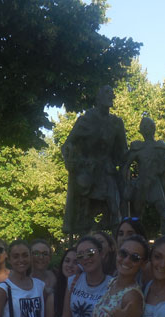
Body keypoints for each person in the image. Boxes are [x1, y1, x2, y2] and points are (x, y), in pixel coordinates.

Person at [61, 85, 127, 234]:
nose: (110, 97)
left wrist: (131, 159)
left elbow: (123, 151)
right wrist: (71, 160)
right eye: (106, 93)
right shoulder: (85, 121)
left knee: (115, 208)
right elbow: (67, 145)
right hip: (87, 170)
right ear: (98, 98)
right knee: (84, 212)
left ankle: (117, 245)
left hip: (107, 170)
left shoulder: (117, 123)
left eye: (112, 94)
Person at [122, 116, 165, 235]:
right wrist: (127, 182)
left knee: (164, 215)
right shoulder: (138, 148)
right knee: (137, 217)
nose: (147, 129)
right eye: (144, 127)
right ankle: (136, 239)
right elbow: (126, 166)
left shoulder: (161, 147)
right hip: (142, 185)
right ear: (142, 130)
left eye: (149, 126)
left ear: (153, 128)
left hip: (155, 184)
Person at [53, 247, 77, 317]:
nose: (70, 265)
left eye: (76, 262)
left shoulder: (83, 293)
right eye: (67, 261)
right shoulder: (54, 294)